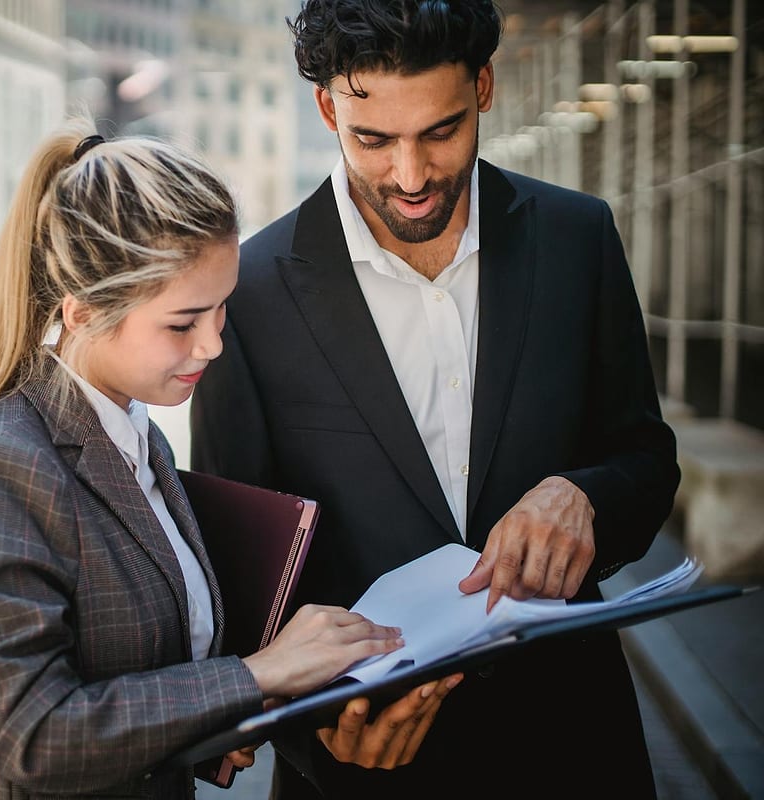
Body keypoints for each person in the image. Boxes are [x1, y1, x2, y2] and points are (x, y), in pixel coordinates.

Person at [189, 1, 681, 797]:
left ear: (483, 87)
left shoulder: (578, 237)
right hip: (362, 770)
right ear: (328, 110)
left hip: (573, 742)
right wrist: (319, 732)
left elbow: (647, 459)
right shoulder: (248, 294)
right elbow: (240, 576)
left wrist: (586, 495)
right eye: (374, 140)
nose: (411, 176)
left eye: (441, 132)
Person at [0, 118, 461, 800]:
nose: (213, 345)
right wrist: (257, 676)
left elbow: (146, 677)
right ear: (82, 312)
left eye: (221, 308)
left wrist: (220, 722)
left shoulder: (139, 436)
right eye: (182, 323)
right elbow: (31, 738)